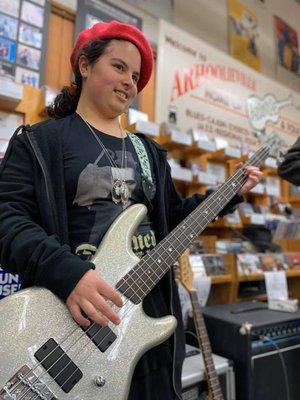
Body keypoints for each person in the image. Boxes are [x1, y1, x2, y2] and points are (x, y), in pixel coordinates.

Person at [0, 20, 263, 400]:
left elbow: (172, 219)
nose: (130, 82)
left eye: (136, 75)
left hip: (144, 328)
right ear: (85, 66)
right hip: (66, 326)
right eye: (119, 67)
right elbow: (7, 220)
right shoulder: (42, 141)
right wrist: (69, 274)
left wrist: (230, 192)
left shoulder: (149, 152)